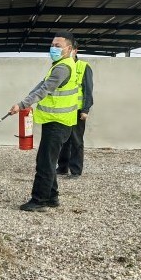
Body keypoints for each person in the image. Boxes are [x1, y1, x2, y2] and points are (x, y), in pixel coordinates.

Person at [9, 31, 79, 212]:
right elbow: (40, 85)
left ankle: (38, 200)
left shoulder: (63, 68)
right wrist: (22, 103)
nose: (53, 48)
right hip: (56, 121)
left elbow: (45, 90)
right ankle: (52, 197)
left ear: (69, 48)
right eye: (52, 45)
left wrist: (22, 104)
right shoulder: (59, 64)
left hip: (58, 122)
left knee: (45, 162)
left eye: (58, 46)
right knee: (48, 159)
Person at [57, 39, 94, 178]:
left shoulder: (83, 67)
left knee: (76, 140)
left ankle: (76, 170)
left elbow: (88, 89)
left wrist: (85, 109)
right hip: (64, 110)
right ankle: (62, 167)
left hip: (78, 111)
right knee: (63, 140)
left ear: (75, 50)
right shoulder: (62, 66)